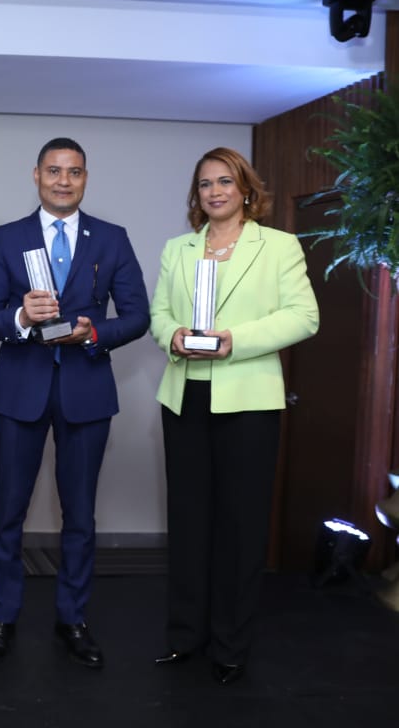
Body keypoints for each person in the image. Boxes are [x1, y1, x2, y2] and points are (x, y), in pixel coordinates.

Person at [0, 137, 150, 668]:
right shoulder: (7, 238)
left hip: (86, 390)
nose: (63, 181)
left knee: (80, 515)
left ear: (85, 178)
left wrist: (95, 333)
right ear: (36, 176)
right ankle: (2, 617)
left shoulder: (111, 239)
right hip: (19, 391)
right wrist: (21, 317)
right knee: (8, 511)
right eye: (54, 171)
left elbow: (137, 316)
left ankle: (72, 618)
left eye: (74, 172)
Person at [149, 147, 318, 684]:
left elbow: (304, 316)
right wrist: (173, 335)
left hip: (248, 402)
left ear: (245, 189)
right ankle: (184, 638)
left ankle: (230, 647)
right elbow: (159, 314)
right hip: (185, 399)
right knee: (188, 524)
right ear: (196, 194)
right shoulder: (178, 249)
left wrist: (233, 341)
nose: (215, 192)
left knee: (240, 530)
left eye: (225, 181)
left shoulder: (279, 246)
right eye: (205, 184)